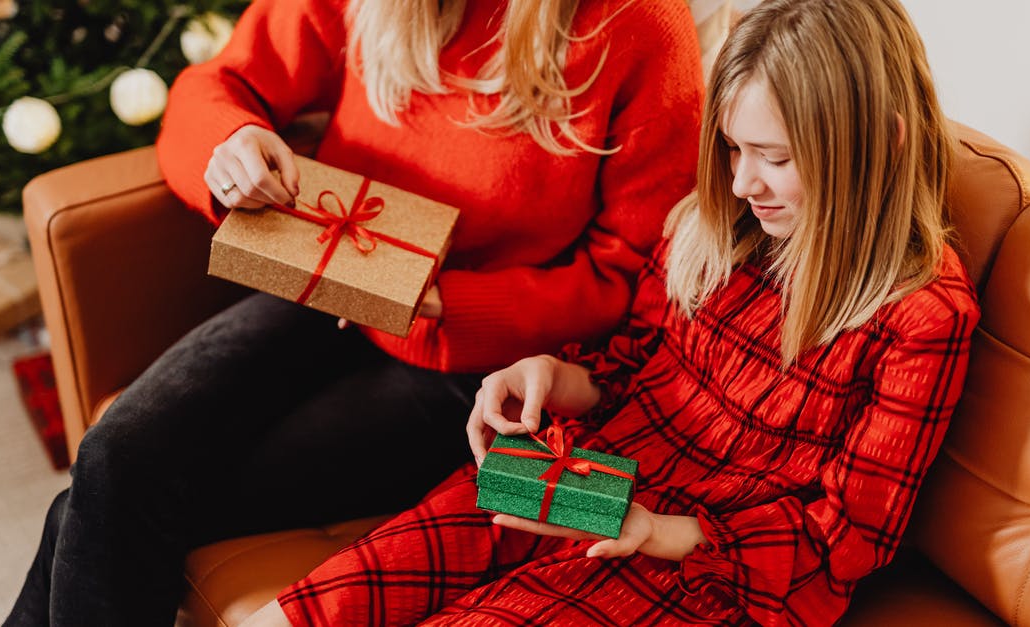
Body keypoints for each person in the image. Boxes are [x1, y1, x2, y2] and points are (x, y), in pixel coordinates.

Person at [244, 0, 982, 624]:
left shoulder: (922, 317)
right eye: (731, 149)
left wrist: (659, 530)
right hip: (599, 469)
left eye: (774, 156)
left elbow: (847, 535)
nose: (743, 180)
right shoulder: (715, 228)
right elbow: (630, 367)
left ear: (881, 141)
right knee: (347, 585)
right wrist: (552, 376)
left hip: (708, 559)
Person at [3, 0, 704, 624]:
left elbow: (632, 275)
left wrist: (447, 301)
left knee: (111, 505)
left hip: (479, 366)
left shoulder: (637, 21)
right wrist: (229, 145)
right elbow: (216, 86)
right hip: (328, 287)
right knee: (116, 457)